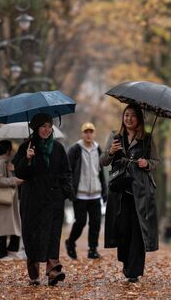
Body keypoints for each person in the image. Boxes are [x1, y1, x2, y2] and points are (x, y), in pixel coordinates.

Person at [100, 104, 159, 283]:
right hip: (120, 191)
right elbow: (103, 161)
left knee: (138, 231)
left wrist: (146, 163)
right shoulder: (115, 137)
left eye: (133, 116)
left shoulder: (147, 138)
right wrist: (111, 152)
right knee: (123, 228)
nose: (129, 118)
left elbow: (156, 161)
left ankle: (134, 271)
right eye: (126, 115)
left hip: (141, 192)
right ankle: (126, 261)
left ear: (139, 119)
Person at [12, 113, 73, 286]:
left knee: (53, 235)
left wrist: (64, 191)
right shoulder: (26, 147)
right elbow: (19, 173)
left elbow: (66, 172)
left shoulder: (58, 148)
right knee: (32, 235)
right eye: (43, 126)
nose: (46, 130)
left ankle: (53, 271)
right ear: (36, 128)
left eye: (49, 126)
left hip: (54, 200)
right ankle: (34, 272)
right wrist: (27, 159)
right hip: (32, 200)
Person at [64, 122, 107, 260]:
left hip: (95, 193)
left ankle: (92, 249)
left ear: (94, 134)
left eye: (91, 132)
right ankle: (70, 242)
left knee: (95, 223)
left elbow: (100, 172)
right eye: (86, 132)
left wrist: (104, 190)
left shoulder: (98, 149)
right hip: (80, 194)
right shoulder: (75, 149)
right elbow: (68, 170)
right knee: (81, 222)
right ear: (82, 134)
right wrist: (70, 190)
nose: (88, 134)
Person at [0, 140, 25, 260]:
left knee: (13, 225)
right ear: (7, 150)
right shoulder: (0, 163)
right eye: (11, 149)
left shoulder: (5, 163)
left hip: (8, 200)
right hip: (3, 201)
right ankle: (2, 253)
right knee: (4, 227)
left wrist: (12, 172)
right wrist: (13, 180)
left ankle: (11, 250)